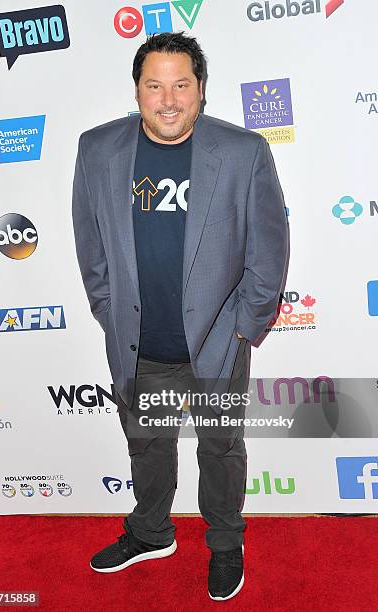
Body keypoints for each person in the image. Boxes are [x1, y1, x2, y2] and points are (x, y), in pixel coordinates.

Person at [72, 32, 288, 601]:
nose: (168, 100)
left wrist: (244, 326)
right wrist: (108, 312)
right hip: (139, 345)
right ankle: (150, 532)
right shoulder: (96, 151)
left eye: (181, 85)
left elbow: (269, 248)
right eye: (154, 86)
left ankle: (224, 543)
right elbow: (91, 250)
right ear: (138, 91)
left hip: (217, 343)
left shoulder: (243, 152)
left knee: (220, 449)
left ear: (201, 91)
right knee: (146, 446)